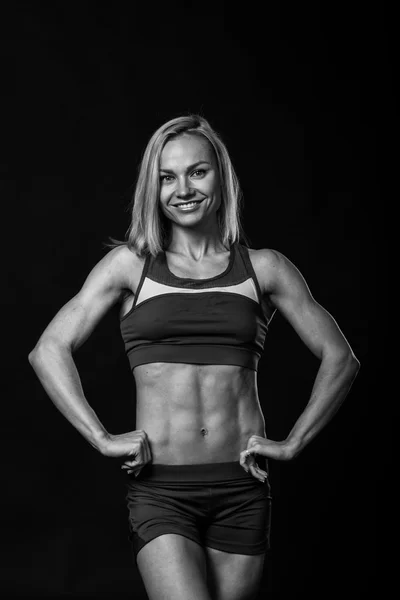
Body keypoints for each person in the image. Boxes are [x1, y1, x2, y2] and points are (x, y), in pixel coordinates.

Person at [28, 114, 360, 600]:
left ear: (221, 178)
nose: (182, 189)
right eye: (167, 177)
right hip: (161, 490)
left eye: (197, 172)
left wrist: (292, 444)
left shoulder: (263, 268)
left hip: (241, 490)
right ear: (154, 187)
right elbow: (48, 350)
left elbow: (341, 358)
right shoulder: (130, 266)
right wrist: (100, 437)